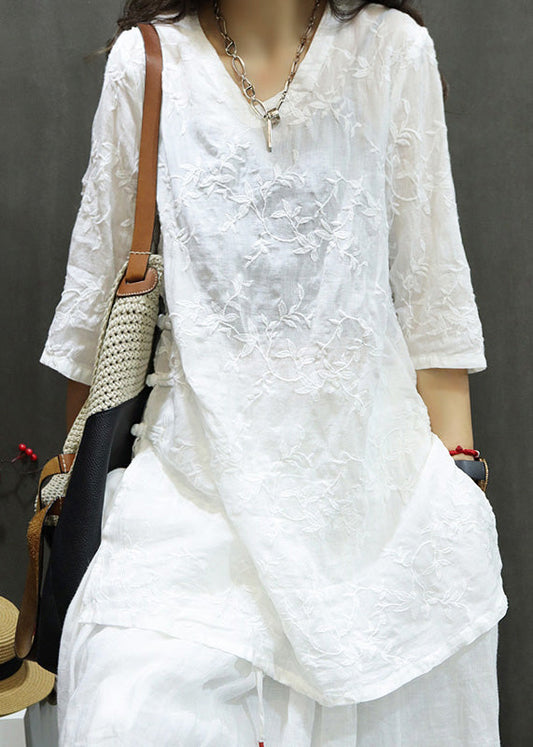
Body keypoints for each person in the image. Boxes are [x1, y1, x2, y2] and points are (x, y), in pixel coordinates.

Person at [39, 0, 508, 744]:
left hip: (380, 504)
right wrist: (76, 489)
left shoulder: (393, 51)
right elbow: (98, 317)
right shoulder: (149, 63)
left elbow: (434, 306)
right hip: (191, 500)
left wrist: (461, 488)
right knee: (127, 709)